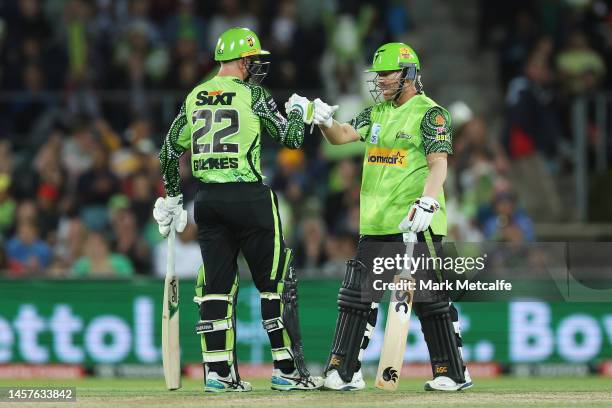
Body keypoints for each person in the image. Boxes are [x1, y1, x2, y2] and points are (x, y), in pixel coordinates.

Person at [293, 43, 472, 391]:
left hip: (416, 224)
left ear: (409, 74)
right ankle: (344, 372)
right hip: (375, 224)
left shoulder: (432, 114)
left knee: (430, 300)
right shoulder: (376, 112)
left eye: (387, 73)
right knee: (356, 297)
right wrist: (323, 119)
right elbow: (342, 136)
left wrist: (427, 203)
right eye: (378, 74)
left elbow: (439, 163)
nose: (381, 80)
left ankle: (453, 372)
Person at [153, 27, 322, 392]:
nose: (255, 66)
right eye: (252, 60)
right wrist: (300, 111)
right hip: (249, 197)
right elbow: (291, 138)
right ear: (242, 60)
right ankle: (286, 370)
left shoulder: (195, 96)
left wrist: (173, 197)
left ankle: (218, 373)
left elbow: (168, 152)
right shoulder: (252, 94)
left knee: (216, 286)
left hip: (209, 202)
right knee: (273, 284)